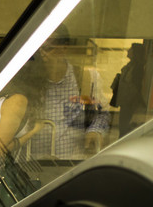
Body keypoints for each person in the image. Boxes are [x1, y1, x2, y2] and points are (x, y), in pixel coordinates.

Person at [27, 31, 109, 159]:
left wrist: (95, 130)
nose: (43, 54)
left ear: (64, 48)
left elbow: (102, 112)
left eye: (48, 49)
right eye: (39, 50)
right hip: (33, 161)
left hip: (71, 162)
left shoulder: (85, 78)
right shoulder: (30, 80)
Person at [112, 42, 148, 138]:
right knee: (122, 126)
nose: (128, 50)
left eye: (131, 49)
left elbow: (136, 87)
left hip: (129, 103)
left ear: (135, 52)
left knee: (124, 127)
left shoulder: (138, 68)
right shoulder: (131, 65)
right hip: (126, 101)